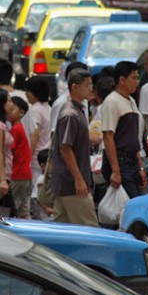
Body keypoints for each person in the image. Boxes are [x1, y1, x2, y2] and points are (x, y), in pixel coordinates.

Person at [52, 68, 99, 226]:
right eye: (87, 85)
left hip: (67, 183)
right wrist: (79, 179)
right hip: (73, 184)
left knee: (62, 231)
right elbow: (65, 148)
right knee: (90, 229)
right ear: (74, 87)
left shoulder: (77, 111)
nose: (90, 89)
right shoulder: (70, 114)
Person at [101, 61, 147, 199]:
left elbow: (134, 138)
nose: (136, 81)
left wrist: (140, 168)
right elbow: (108, 137)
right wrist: (115, 171)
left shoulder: (131, 100)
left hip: (132, 160)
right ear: (122, 80)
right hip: (120, 161)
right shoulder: (111, 102)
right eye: (133, 78)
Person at [25, 77, 51, 195]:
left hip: (36, 158)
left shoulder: (35, 110)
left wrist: (28, 158)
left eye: (28, 91)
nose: (26, 94)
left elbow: (34, 135)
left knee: (35, 193)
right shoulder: (48, 108)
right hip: (46, 155)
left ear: (35, 93)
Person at [8, 96, 32, 219]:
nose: (8, 111)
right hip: (26, 174)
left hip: (17, 174)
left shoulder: (15, 129)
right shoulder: (19, 128)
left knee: (14, 209)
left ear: (21, 113)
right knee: (24, 211)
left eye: (12, 109)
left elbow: (9, 152)